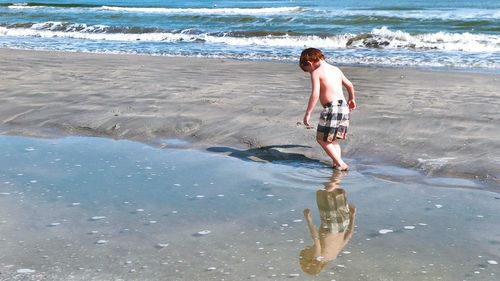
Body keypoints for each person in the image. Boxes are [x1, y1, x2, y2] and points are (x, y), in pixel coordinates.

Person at [299, 48, 356, 171]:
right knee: (333, 139)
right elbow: (350, 85)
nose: (310, 73)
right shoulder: (336, 69)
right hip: (343, 107)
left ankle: (340, 163)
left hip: (332, 108)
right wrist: (352, 99)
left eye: (308, 71)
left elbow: (315, 94)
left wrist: (308, 113)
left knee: (321, 139)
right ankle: (336, 163)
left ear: (309, 62)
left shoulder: (317, 72)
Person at [299, 171, 356, 275]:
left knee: (337, 191)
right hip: (331, 224)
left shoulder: (332, 256)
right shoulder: (317, 257)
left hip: (344, 222)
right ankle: (335, 168)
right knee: (325, 192)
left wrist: (352, 216)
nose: (304, 254)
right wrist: (309, 220)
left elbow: (349, 235)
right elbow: (316, 239)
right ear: (311, 262)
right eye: (304, 258)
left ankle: (338, 170)